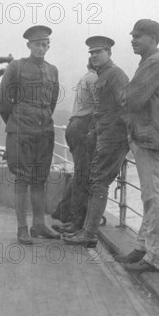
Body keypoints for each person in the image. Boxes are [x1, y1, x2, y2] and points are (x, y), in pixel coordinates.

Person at [115, 19, 159, 272]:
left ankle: (157, 256)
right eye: (133, 35)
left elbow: (129, 99)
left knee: (154, 197)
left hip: (151, 139)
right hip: (147, 137)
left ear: (154, 39)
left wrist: (124, 94)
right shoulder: (149, 62)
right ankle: (143, 246)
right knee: (150, 197)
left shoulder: (154, 63)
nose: (133, 39)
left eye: (139, 36)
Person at [0, 25, 60, 244]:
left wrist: (40, 120)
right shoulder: (17, 67)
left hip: (44, 132)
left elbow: (51, 102)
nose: (40, 48)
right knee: (22, 179)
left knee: (40, 179)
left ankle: (39, 225)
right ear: (29, 45)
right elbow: (4, 102)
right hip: (20, 132)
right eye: (36, 44)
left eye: (44, 44)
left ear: (48, 45)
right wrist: (16, 123)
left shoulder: (53, 70)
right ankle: (22, 228)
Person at [64, 36, 129, 247]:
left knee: (98, 183)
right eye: (91, 53)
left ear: (109, 53)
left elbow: (126, 105)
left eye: (98, 52)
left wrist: (123, 136)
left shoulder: (115, 75)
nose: (94, 56)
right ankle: (86, 231)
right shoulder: (101, 76)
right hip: (103, 136)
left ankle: (89, 234)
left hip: (113, 138)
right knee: (94, 182)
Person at [52, 60, 98, 234]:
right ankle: (76, 221)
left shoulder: (85, 77)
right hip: (83, 126)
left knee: (80, 172)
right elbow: (98, 108)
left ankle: (62, 212)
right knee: (83, 175)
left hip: (74, 126)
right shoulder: (94, 79)